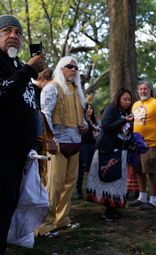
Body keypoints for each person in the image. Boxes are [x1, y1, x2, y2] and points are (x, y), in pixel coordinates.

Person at [0, 14, 46, 254]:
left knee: (9, 208)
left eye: (18, 33)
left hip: (20, 155)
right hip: (2, 153)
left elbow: (31, 105)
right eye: (6, 31)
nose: (13, 36)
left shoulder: (19, 66)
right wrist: (28, 69)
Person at [35, 56, 88, 238]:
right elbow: (45, 115)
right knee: (53, 185)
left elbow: (82, 118)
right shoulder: (52, 87)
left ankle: (63, 218)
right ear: (61, 68)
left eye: (76, 67)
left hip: (75, 143)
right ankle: (45, 224)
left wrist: (85, 126)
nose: (73, 69)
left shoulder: (77, 91)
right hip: (56, 144)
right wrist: (48, 140)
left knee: (70, 183)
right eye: (69, 66)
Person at [86, 88, 134, 222]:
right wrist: (124, 120)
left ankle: (115, 206)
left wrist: (131, 143)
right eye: (124, 99)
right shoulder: (110, 109)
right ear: (118, 98)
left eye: (129, 100)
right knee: (109, 179)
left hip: (122, 152)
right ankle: (108, 209)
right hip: (108, 151)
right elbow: (106, 127)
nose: (127, 102)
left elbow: (127, 132)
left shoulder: (128, 113)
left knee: (118, 181)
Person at [128, 81, 156, 210]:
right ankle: (142, 197)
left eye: (145, 89)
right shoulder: (135, 105)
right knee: (139, 171)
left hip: (150, 143)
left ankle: (153, 200)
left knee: (151, 171)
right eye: (141, 89)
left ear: (150, 90)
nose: (143, 91)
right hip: (135, 145)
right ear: (138, 92)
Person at [76, 103, 100, 199]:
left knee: (93, 169)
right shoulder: (82, 121)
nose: (89, 109)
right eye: (87, 108)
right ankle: (79, 191)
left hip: (94, 147)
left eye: (91, 108)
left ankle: (92, 191)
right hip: (84, 146)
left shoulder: (95, 122)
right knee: (81, 169)